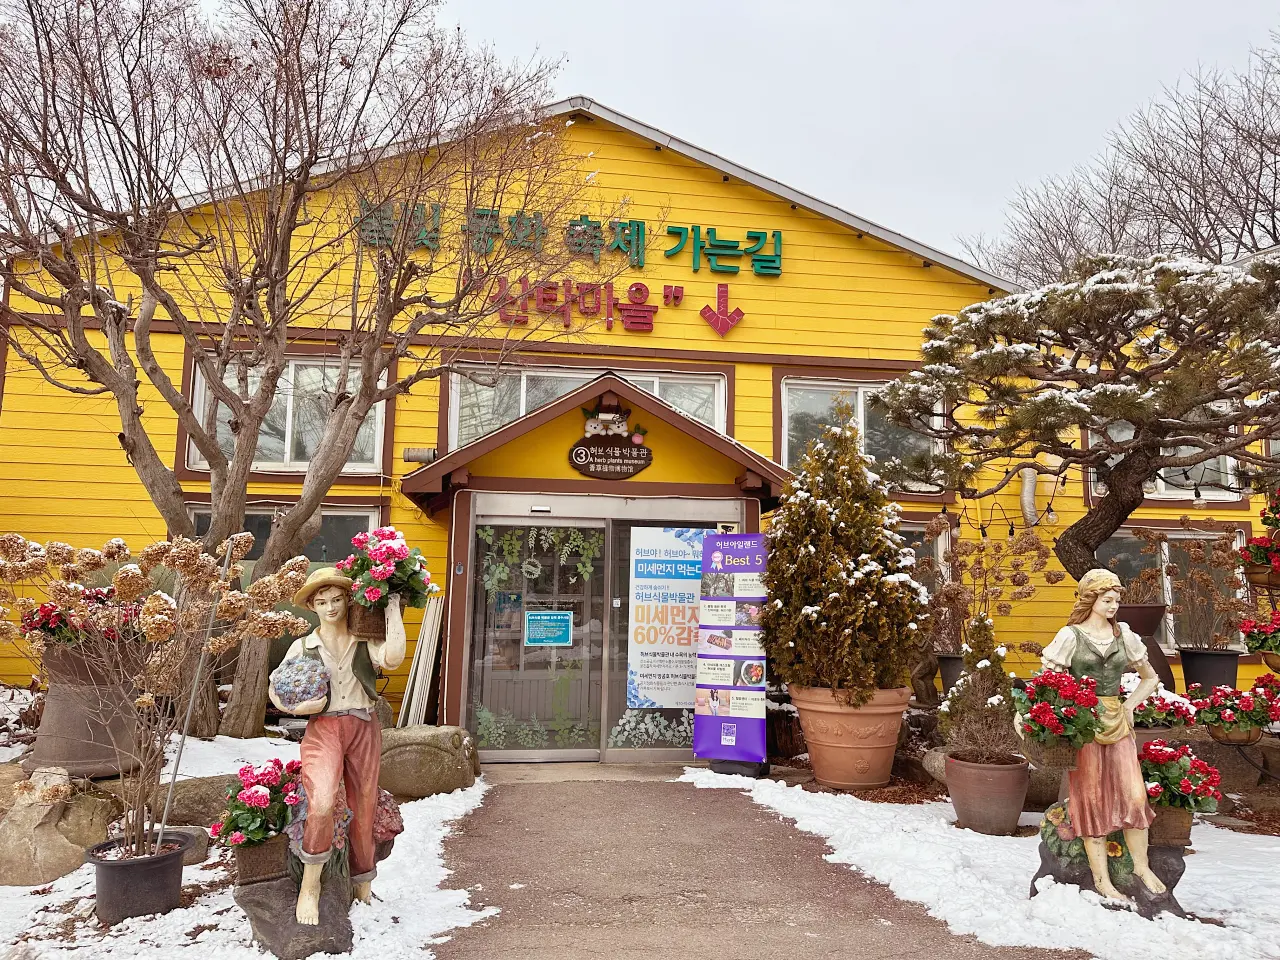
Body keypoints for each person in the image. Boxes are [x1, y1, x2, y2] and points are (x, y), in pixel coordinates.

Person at [269, 567, 406, 925]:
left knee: (364, 806)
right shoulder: (303, 646)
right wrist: (297, 707)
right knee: (323, 802)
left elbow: (392, 658)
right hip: (324, 728)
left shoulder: (364, 639)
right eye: (322, 601)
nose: (331, 607)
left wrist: (392, 605)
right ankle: (310, 886)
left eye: (337, 599)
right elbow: (277, 687)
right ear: (312, 606)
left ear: (348, 601)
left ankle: (363, 885)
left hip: (363, 724)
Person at [1038, 568, 1165, 901]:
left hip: (1117, 720)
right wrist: (1062, 714)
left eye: (1117, 600)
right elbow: (1049, 682)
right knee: (1092, 798)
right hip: (1084, 724)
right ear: (1091, 600)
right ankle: (1101, 879)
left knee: (1134, 794)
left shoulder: (1124, 635)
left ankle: (1140, 866)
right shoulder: (1071, 636)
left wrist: (1129, 705)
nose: (1114, 606)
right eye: (1107, 599)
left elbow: (1150, 678)